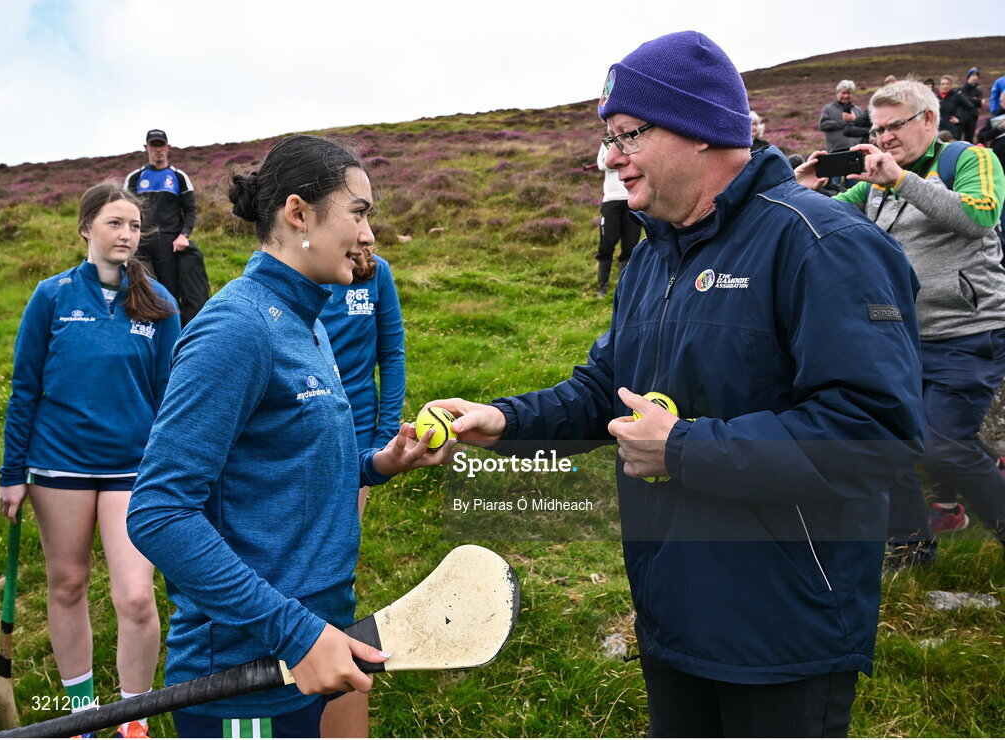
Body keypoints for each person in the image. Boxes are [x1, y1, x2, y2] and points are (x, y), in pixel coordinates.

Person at [430, 31, 923, 738]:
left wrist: (686, 449)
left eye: (628, 133)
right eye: (606, 137)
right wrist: (502, 421)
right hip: (672, 613)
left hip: (782, 632)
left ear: (697, 131)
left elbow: (876, 433)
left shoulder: (822, 243)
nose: (610, 156)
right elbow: (607, 391)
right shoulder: (654, 257)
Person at [126, 134, 452, 738]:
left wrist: (379, 465)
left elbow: (283, 465)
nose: (369, 235)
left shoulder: (308, 322)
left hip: (309, 650)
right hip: (243, 673)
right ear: (298, 213)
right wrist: (296, 632)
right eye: (358, 212)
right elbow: (157, 513)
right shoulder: (238, 326)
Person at [0, 182, 180, 739]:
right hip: (59, 467)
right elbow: (25, 387)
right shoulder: (51, 297)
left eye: (132, 226)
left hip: (132, 466)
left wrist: (175, 465)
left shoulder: (159, 303)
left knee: (135, 596)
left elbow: (172, 394)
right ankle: (81, 715)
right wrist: (12, 474)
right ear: (86, 230)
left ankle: (133, 717)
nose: (126, 234)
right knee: (68, 584)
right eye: (114, 224)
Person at [796, 79, 1005, 567]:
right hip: (902, 339)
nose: (884, 137)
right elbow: (826, 220)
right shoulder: (872, 187)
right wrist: (799, 187)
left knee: (942, 446)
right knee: (884, 436)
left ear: (928, 121)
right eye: (877, 128)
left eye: (895, 126)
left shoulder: (969, 160)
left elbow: (981, 215)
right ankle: (911, 547)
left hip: (970, 334)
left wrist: (900, 181)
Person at [317, 246, 405, 737]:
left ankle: (334, 688)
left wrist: (383, 437)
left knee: (336, 563)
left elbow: (390, 353)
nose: (366, 231)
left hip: (356, 443)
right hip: (305, 441)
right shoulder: (293, 275)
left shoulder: (376, 274)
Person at [125, 129, 210, 326]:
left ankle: (173, 337)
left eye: (161, 145)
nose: (158, 150)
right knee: (142, 292)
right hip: (142, 243)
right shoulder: (135, 178)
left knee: (168, 294)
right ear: (146, 148)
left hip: (170, 244)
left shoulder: (179, 177)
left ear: (168, 148)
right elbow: (124, 211)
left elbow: (190, 210)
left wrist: (184, 235)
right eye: (153, 145)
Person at [594, 141, 642, 297]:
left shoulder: (634, 140)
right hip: (611, 200)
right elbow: (602, 164)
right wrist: (622, 160)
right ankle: (602, 287)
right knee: (607, 243)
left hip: (631, 200)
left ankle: (624, 289)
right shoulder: (607, 143)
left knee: (630, 246)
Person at [818, 80, 866, 152]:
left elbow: (864, 129)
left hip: (857, 150)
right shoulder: (828, 109)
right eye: (843, 93)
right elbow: (823, 125)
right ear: (837, 93)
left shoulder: (858, 110)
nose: (846, 96)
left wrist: (855, 121)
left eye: (848, 93)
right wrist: (844, 122)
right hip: (836, 150)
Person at [936, 75, 977, 142]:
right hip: (937, 131)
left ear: (951, 85)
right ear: (939, 85)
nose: (945, 86)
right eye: (943, 84)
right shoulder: (934, 97)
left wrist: (960, 120)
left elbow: (971, 109)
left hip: (952, 133)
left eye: (947, 84)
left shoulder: (956, 96)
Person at [959, 68, 984, 144]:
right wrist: (975, 100)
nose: (975, 77)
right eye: (973, 75)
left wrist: (969, 99)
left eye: (977, 76)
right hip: (961, 116)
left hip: (972, 117)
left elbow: (980, 103)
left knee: (969, 139)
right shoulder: (961, 89)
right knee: (958, 137)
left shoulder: (979, 91)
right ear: (968, 77)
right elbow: (962, 100)